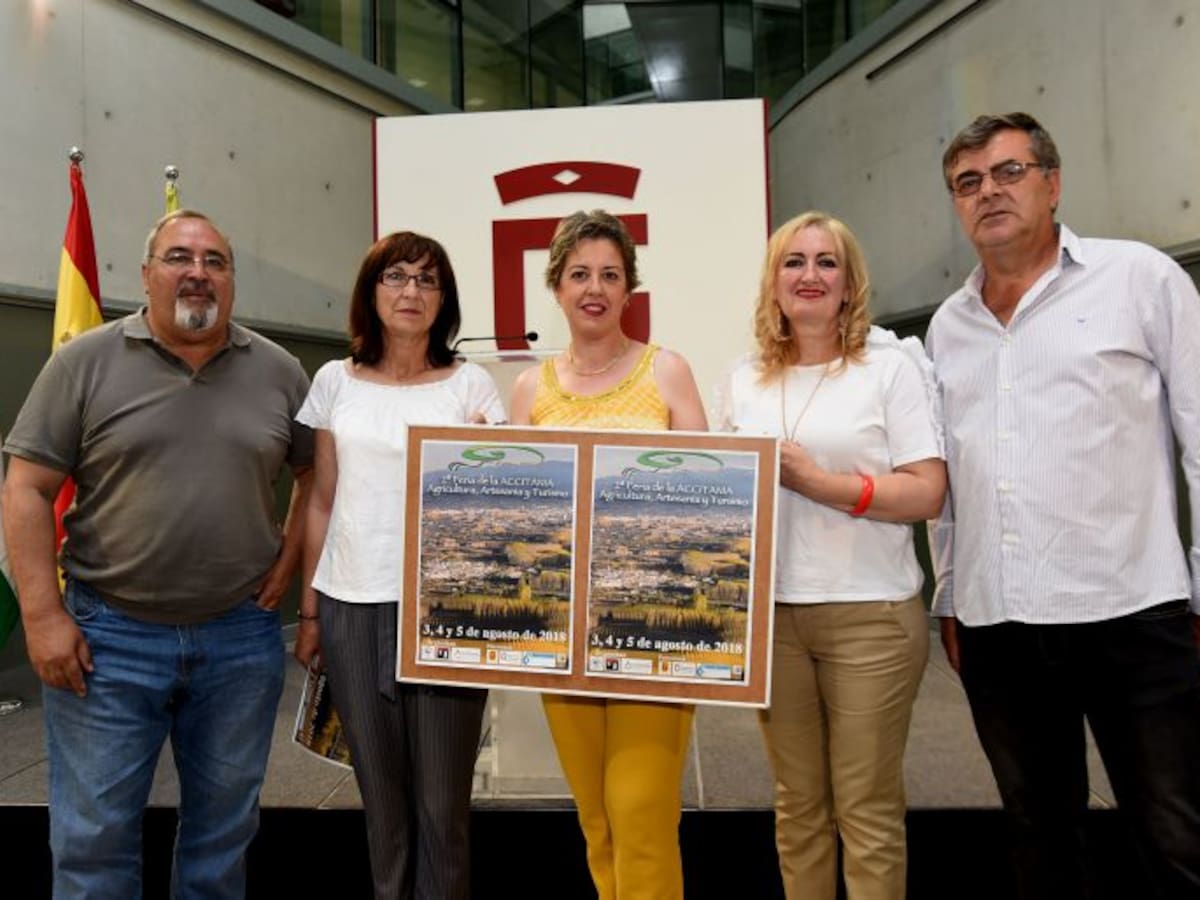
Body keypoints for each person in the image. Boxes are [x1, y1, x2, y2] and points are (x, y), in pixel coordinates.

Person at [1, 209, 313, 898]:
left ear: (232, 280)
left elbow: (315, 475)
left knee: (222, 839)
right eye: (179, 258)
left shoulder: (279, 371)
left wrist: (290, 561)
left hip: (239, 639)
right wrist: (42, 617)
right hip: (107, 639)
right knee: (93, 842)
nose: (198, 273)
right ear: (146, 275)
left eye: (215, 261)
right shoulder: (83, 362)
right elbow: (25, 487)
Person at [927, 112, 1200, 898]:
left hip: (1132, 612)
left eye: (1008, 172)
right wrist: (950, 595)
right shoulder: (948, 326)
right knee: (1038, 835)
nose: (989, 192)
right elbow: (950, 478)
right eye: (968, 182)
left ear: (1052, 183)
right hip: (1001, 624)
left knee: (1174, 831)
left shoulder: (1140, 279)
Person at [715, 211, 945, 899]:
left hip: (871, 616)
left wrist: (820, 483)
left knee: (867, 811)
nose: (809, 275)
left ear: (850, 283)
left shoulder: (888, 371)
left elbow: (927, 491)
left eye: (826, 262)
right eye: (794, 262)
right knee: (797, 808)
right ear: (773, 282)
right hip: (774, 621)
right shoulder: (744, 379)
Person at [294, 231, 504, 900]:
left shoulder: (471, 385)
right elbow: (321, 502)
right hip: (351, 603)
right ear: (371, 290)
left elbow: (497, 508)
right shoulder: (335, 381)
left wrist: (485, 457)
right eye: (396, 276)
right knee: (382, 806)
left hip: (446, 609)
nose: (411, 291)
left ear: (444, 300)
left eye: (427, 279)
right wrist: (309, 612)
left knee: (443, 808)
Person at [509, 209, 707, 900]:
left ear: (629, 288)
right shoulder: (530, 389)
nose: (594, 288)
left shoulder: (668, 372)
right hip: (564, 635)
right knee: (596, 820)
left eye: (610, 275)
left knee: (641, 813)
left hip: (653, 629)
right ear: (556, 286)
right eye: (579, 274)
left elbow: (708, 503)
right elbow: (520, 509)